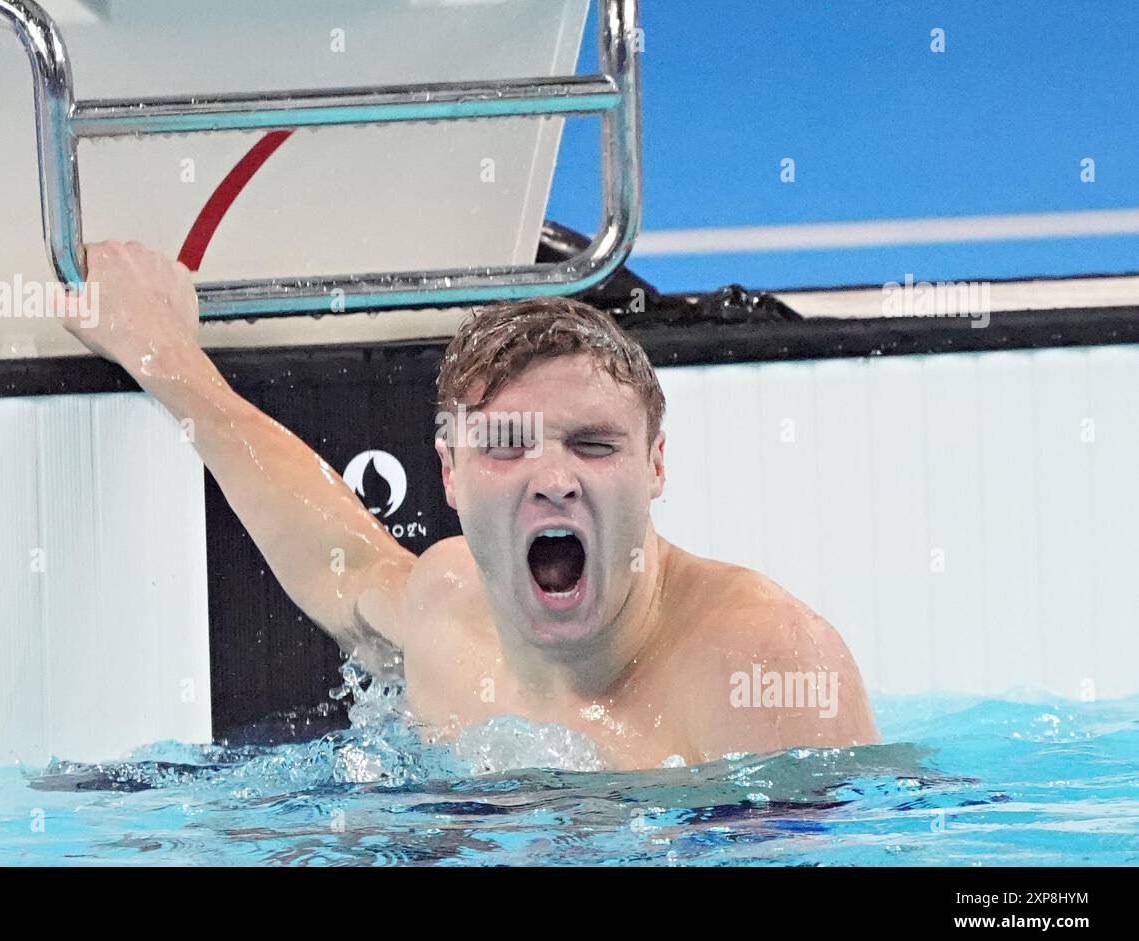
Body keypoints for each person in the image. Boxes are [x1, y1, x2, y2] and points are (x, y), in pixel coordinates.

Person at [61, 240, 881, 770]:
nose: (554, 478)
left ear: (656, 464)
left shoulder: (760, 668)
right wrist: (161, 352)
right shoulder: (453, 609)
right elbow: (335, 554)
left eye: (593, 445)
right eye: (508, 446)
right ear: (449, 476)